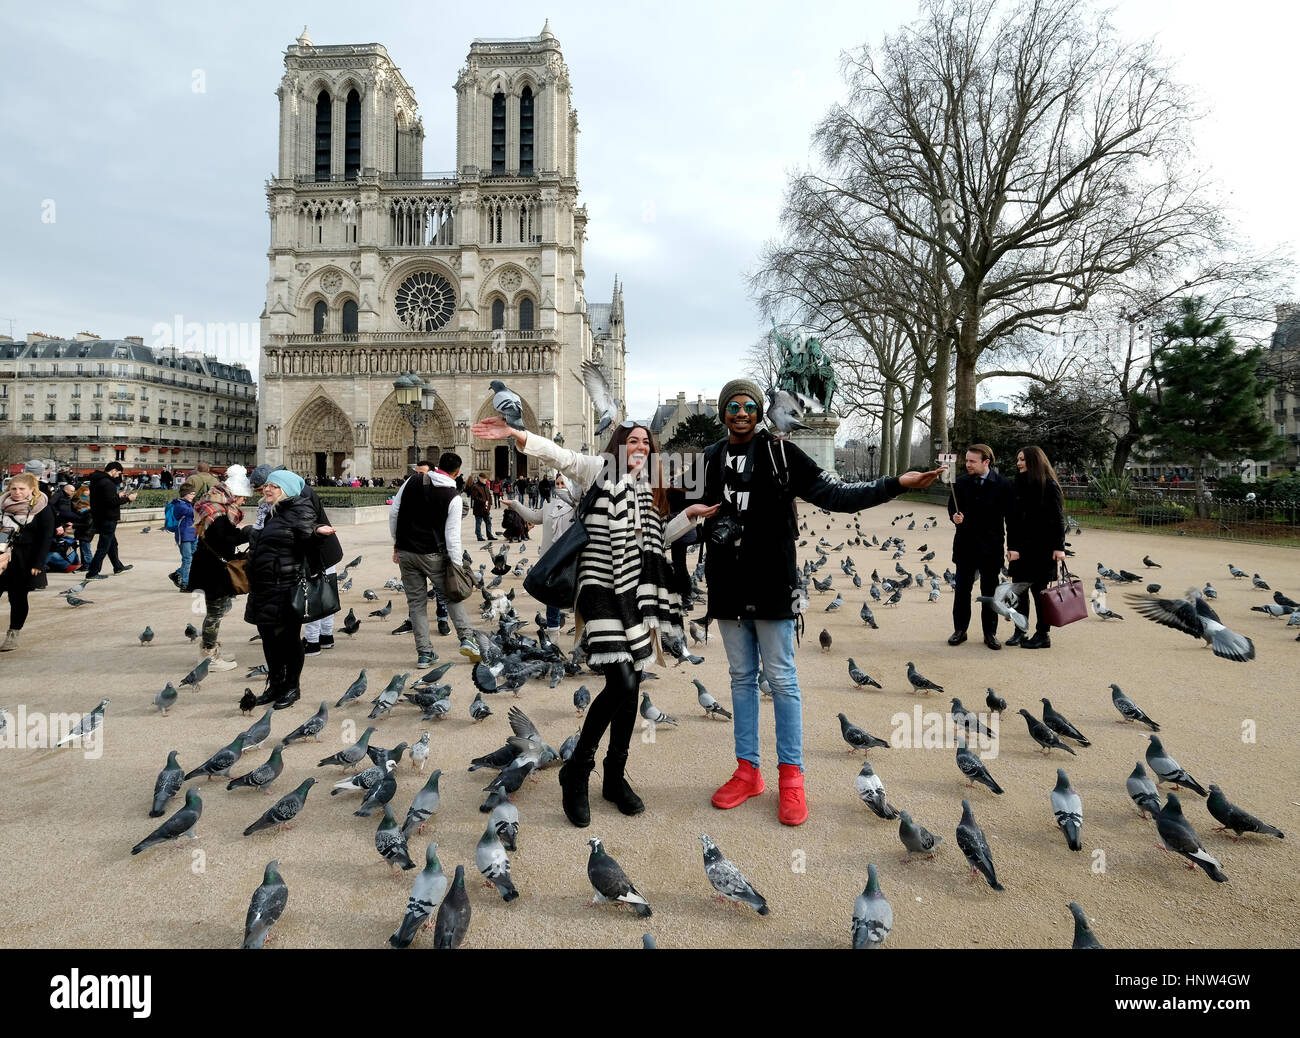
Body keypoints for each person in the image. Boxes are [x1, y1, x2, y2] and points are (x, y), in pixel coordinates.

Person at [700, 379, 943, 825]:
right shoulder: (710, 459)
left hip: (773, 579)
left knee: (782, 680)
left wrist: (894, 484)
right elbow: (681, 508)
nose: (740, 412)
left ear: (759, 410)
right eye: (732, 405)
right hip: (727, 583)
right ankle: (747, 770)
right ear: (723, 412)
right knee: (740, 678)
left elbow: (836, 495)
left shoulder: (781, 453)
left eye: (748, 405)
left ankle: (791, 778)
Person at [473, 413, 718, 828]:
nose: (641, 446)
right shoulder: (599, 468)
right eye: (634, 440)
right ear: (621, 444)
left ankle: (615, 778)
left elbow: (656, 539)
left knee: (633, 684)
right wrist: (519, 436)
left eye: (647, 442)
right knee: (621, 682)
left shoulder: (650, 487)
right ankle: (577, 772)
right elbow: (561, 456)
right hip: (601, 589)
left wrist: (689, 515)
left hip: (637, 593)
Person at [244, 470, 335, 711]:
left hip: (285, 585)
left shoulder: (299, 511)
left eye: (274, 486)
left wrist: (317, 533)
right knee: (267, 638)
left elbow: (307, 535)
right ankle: (275, 685)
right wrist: (248, 532)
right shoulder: (268, 511)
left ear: (287, 489)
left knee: (288, 639)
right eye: (267, 486)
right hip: (263, 585)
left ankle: (292, 687)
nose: (267, 489)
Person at [389, 452, 481, 668]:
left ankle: (425, 653)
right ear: (457, 472)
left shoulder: (411, 481)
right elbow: (453, 537)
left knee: (417, 604)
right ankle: (467, 639)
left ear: (438, 466)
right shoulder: (454, 497)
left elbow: (394, 513)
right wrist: (456, 566)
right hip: (433, 555)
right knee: (451, 596)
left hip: (406, 552)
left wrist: (396, 543)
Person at [188, 465, 254, 674]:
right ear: (233, 495)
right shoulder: (217, 513)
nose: (244, 501)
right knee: (215, 613)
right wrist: (250, 533)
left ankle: (211, 650)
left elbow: (224, 536)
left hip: (210, 566)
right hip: (211, 569)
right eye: (242, 497)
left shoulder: (216, 509)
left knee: (218, 609)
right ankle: (208, 656)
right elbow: (224, 538)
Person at [946, 444, 1013, 650]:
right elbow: (952, 508)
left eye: (972, 461)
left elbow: (1011, 518)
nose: (967, 464)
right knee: (962, 592)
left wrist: (1013, 547)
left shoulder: (1003, 484)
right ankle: (960, 630)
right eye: (966, 460)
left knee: (990, 593)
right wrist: (954, 517)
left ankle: (990, 633)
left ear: (986, 462)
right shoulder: (960, 483)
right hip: (965, 546)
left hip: (990, 547)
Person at [1006, 445, 1067, 650]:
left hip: (1042, 549)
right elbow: (1012, 520)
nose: (1019, 463)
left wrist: (1059, 547)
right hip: (1021, 549)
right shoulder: (1018, 484)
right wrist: (1011, 547)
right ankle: (1020, 630)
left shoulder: (1049, 485)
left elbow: (1057, 519)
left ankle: (1043, 634)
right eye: (1018, 459)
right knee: (1019, 593)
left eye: (1022, 459)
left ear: (1034, 461)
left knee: (1041, 595)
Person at [505, 474, 577, 632]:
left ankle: (580, 631)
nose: (559, 487)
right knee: (552, 595)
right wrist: (515, 505)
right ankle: (553, 630)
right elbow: (534, 517)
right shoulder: (549, 506)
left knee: (575, 593)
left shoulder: (576, 507)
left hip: (570, 556)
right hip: (550, 557)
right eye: (557, 484)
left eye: (563, 484)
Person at [0, 473, 55, 652]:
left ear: (32, 489)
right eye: (14, 488)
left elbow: (46, 538)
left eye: (22, 489)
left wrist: (38, 563)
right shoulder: (2, 505)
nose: (17, 492)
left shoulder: (42, 508)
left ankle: (13, 633)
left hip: (24, 559)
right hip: (2, 556)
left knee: (17, 598)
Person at [84, 461, 137, 579]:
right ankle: (92, 573)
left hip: (100, 516)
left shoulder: (98, 480)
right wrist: (128, 499)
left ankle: (118, 567)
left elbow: (103, 499)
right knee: (103, 546)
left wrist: (118, 496)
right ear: (113, 470)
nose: (118, 475)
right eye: (118, 473)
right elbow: (111, 503)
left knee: (112, 544)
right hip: (108, 518)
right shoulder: (108, 483)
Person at [169, 483, 198, 591]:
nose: (193, 496)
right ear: (185, 494)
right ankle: (185, 583)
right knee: (187, 559)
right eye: (191, 494)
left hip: (194, 534)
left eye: (194, 494)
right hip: (184, 535)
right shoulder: (180, 505)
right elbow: (193, 513)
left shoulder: (188, 503)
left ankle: (177, 574)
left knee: (193, 558)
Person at [467, 472, 496, 541]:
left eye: (486, 479)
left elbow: (489, 495)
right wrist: (483, 501)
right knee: (478, 522)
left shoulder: (486, 486)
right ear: (480, 478)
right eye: (484, 479)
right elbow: (475, 497)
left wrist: (490, 503)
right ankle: (479, 536)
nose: (485, 480)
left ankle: (489, 535)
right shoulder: (475, 486)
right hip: (479, 508)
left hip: (486, 508)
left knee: (488, 522)